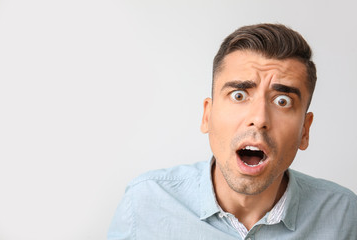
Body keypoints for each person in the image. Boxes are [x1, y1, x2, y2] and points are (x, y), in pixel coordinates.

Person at [108, 23, 357, 240]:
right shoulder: (144, 204)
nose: (259, 119)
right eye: (238, 95)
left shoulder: (344, 215)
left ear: (305, 130)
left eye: (282, 101)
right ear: (208, 115)